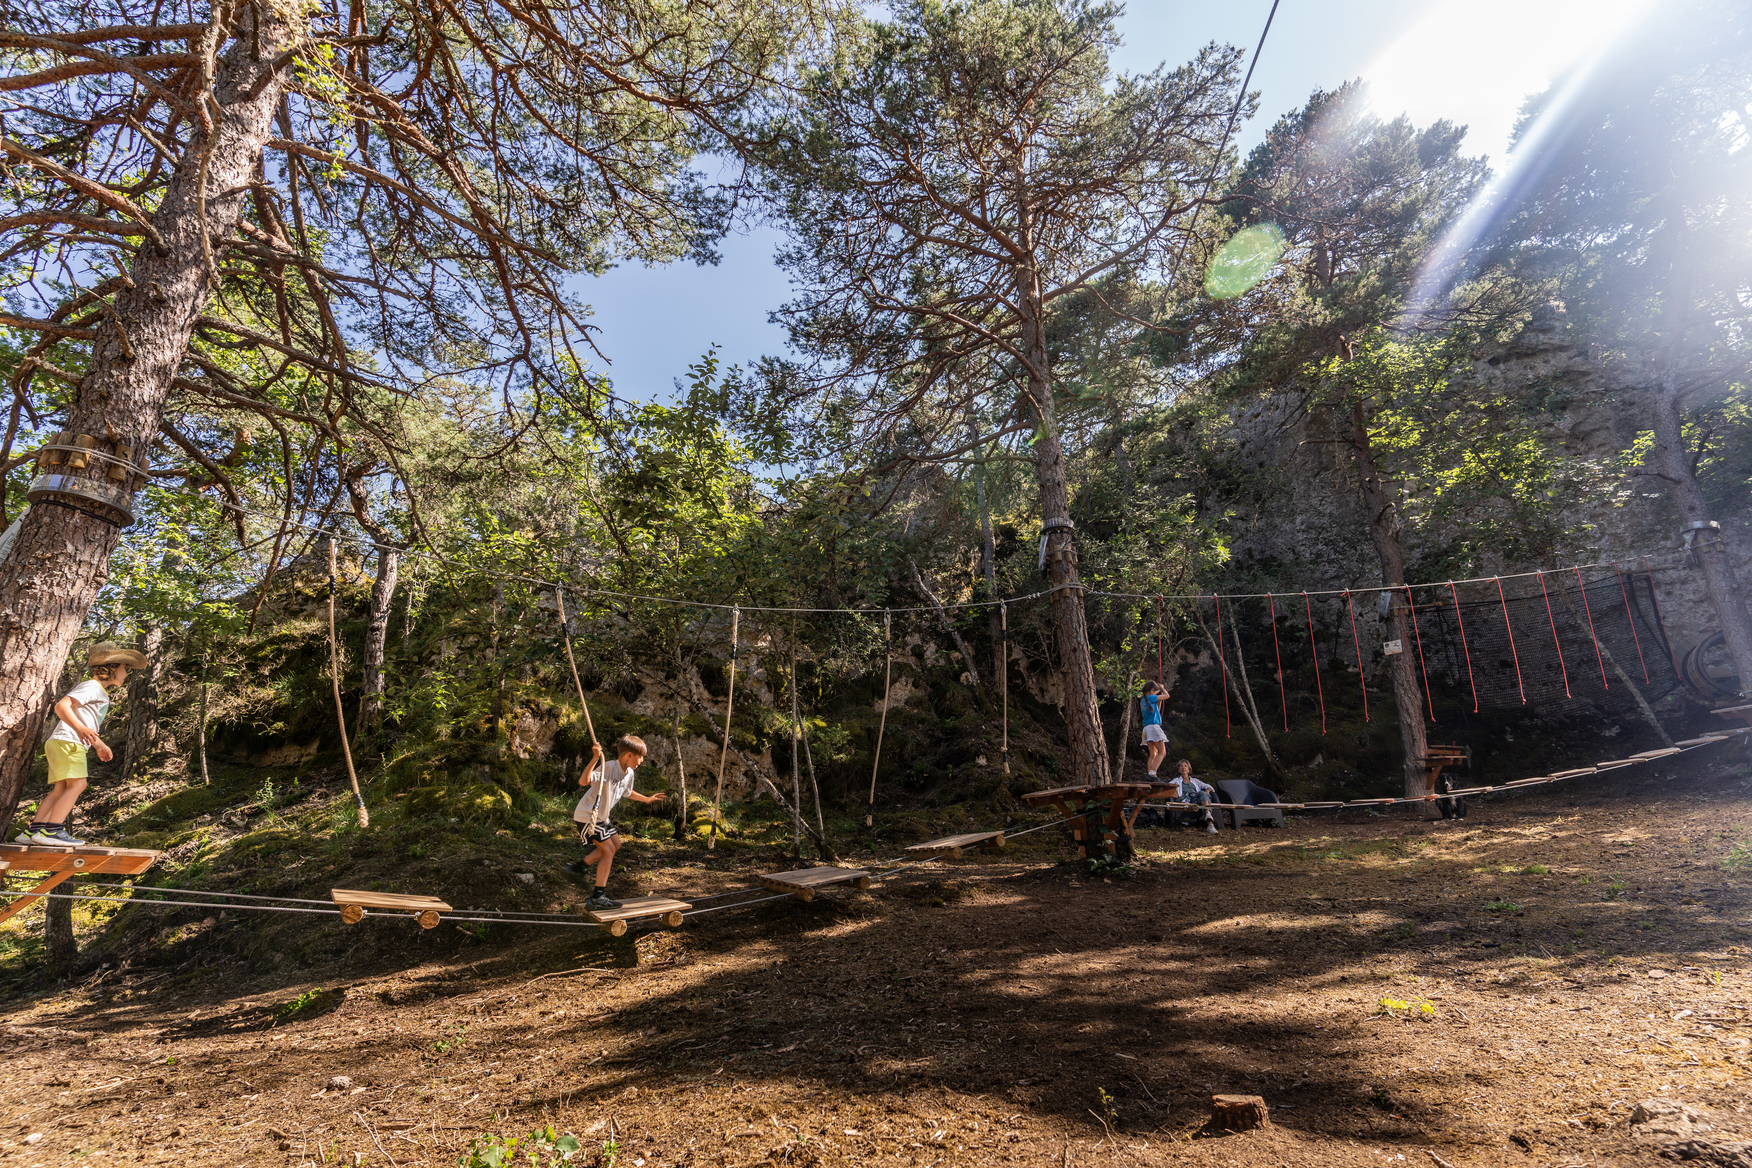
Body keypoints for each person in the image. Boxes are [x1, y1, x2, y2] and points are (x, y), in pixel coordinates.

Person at [19, 642, 149, 845]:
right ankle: (50, 832)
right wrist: (80, 729)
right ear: (112, 667)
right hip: (69, 742)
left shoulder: (98, 691)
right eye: (124, 668)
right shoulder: (92, 687)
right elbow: (61, 706)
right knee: (79, 784)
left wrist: (98, 744)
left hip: (61, 741)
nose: (126, 673)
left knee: (61, 789)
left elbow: (85, 723)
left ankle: (33, 832)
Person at [566, 735, 667, 909]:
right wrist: (595, 758)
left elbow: (627, 792)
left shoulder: (630, 773)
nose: (642, 761)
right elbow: (583, 781)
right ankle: (597, 897)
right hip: (588, 816)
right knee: (609, 850)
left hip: (602, 818)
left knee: (616, 845)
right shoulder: (609, 767)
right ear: (629, 755)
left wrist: (647, 799)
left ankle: (577, 868)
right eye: (640, 757)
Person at [1165, 758, 1219, 835]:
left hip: (1196, 798)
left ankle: (1208, 815)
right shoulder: (1176, 781)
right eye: (1181, 766)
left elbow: (1208, 786)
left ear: (1189, 770)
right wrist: (1174, 792)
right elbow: (1167, 786)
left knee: (1203, 794)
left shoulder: (1195, 781)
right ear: (1178, 770)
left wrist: (1208, 790)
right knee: (1204, 797)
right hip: (1185, 799)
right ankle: (1210, 823)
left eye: (1185, 766)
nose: (1183, 768)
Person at [1138, 680, 1170, 778]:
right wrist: (1162, 689)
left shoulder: (1143, 700)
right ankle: (1153, 773)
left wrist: (1159, 699)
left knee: (1153, 754)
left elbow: (1157, 710)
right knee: (1162, 752)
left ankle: (1150, 775)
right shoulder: (1151, 697)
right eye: (1156, 691)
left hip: (1146, 729)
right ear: (1152, 690)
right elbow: (1167, 696)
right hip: (1153, 727)